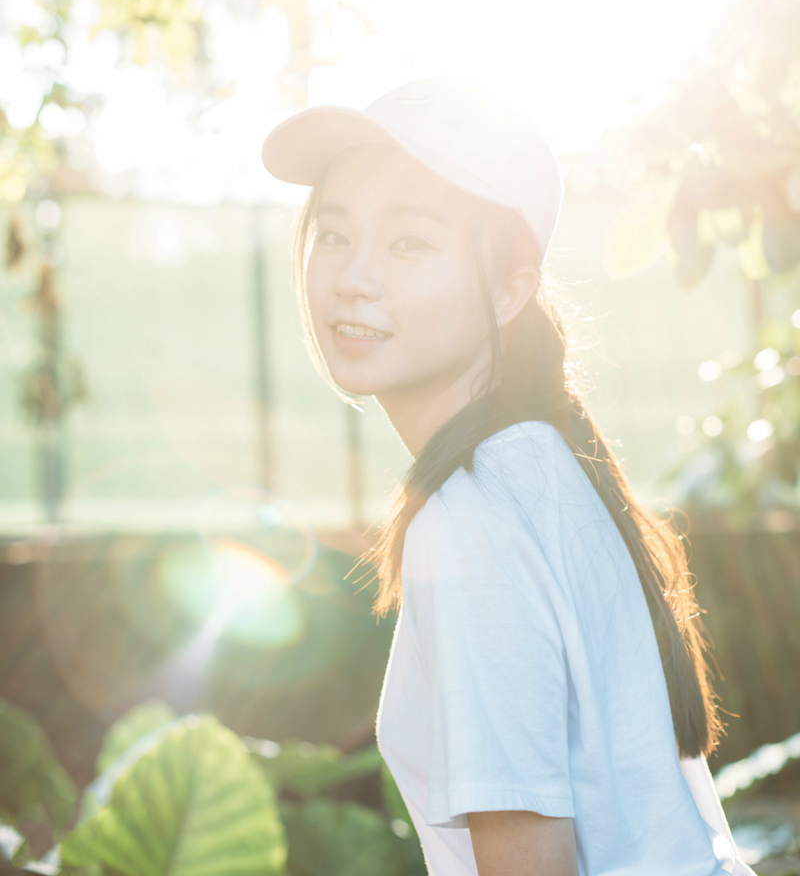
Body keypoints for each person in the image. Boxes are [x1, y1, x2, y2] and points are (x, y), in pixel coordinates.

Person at [261, 78, 756, 876]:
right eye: (334, 233)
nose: (352, 276)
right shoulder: (546, 463)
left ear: (510, 286)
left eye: (410, 242)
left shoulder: (472, 518)